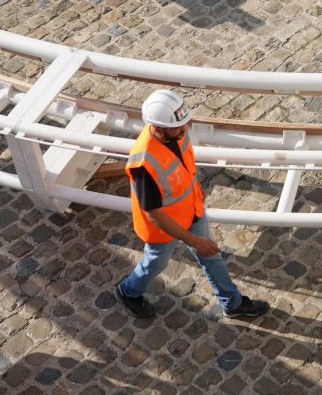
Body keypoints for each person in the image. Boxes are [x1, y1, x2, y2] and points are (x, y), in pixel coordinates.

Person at [115, 89, 271, 322]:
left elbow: (182, 167)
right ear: (157, 128)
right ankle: (128, 292)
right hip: (162, 229)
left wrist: (195, 189)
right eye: (179, 127)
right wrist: (193, 240)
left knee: (211, 256)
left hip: (192, 211)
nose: (185, 128)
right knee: (155, 265)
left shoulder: (177, 132)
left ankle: (233, 303)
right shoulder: (143, 162)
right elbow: (155, 214)